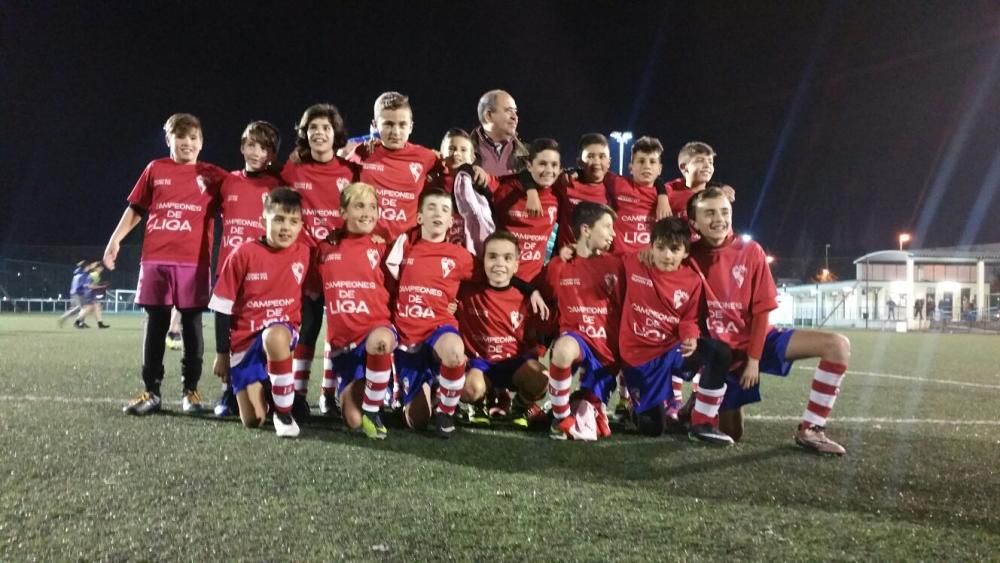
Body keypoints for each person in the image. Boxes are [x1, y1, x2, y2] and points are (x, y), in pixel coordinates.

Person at [686, 187, 851, 455]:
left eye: (725, 212)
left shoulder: (750, 251)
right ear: (694, 223)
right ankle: (697, 402)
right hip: (722, 355)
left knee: (837, 345)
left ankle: (812, 429)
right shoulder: (687, 254)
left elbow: (762, 310)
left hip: (757, 341)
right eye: (709, 213)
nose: (719, 218)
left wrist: (754, 359)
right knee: (731, 434)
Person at [104, 113, 228, 416]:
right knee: (156, 324)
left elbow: (243, 195)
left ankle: (191, 392)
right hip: (156, 260)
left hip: (194, 262)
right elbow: (136, 208)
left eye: (193, 137)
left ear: (202, 142)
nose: (187, 143)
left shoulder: (213, 175)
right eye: (180, 136)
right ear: (168, 139)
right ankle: (152, 391)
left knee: (192, 325)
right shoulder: (155, 169)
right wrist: (115, 239)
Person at [619, 217, 732, 444]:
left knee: (720, 352)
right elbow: (601, 256)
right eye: (660, 248)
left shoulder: (692, 280)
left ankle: (703, 420)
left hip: (672, 349)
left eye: (674, 249)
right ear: (651, 247)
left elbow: (688, 318)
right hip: (639, 358)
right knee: (653, 429)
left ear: (685, 253)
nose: (667, 255)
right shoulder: (633, 262)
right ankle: (637, 408)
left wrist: (689, 336)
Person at [209, 187, 311, 437]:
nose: (286, 227)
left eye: (293, 221)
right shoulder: (243, 253)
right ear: (262, 220)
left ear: (301, 226)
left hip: (280, 333)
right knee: (253, 420)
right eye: (278, 219)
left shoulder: (305, 252)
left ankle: (284, 413)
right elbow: (222, 307)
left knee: (274, 336)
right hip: (245, 341)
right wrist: (222, 353)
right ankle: (270, 388)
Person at [282, 104, 360, 418]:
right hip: (303, 265)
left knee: (338, 333)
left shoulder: (350, 171)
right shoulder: (293, 170)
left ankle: (329, 395)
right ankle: (298, 395)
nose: (319, 133)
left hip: (341, 263)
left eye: (325, 128)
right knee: (307, 329)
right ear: (305, 134)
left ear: (335, 134)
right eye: (312, 127)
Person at [386, 188, 475, 438]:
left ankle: (446, 412)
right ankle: (425, 390)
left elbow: (485, 282)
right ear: (420, 217)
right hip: (407, 339)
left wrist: (459, 302)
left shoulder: (461, 257)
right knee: (417, 420)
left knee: (455, 351)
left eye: (445, 210)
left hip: (438, 329)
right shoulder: (402, 249)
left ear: (451, 221)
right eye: (432, 208)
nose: (438, 213)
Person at [212, 120, 284, 417]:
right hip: (229, 267)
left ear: (272, 155)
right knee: (230, 331)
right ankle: (229, 390)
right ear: (242, 146)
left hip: (263, 271)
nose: (257, 152)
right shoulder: (226, 181)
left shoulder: (278, 185)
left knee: (260, 332)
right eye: (251, 145)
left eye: (264, 147)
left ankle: (266, 385)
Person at [314, 182, 396, 439]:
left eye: (373, 207)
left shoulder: (382, 248)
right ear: (343, 212)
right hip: (343, 346)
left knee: (381, 341)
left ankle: (374, 409)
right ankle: (365, 396)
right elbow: (312, 291)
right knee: (352, 420)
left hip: (376, 333)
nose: (368, 212)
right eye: (359, 206)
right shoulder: (325, 249)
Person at [543, 202, 624, 440]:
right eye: (607, 227)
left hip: (607, 352)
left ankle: (587, 403)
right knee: (563, 349)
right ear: (586, 230)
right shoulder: (559, 265)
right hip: (578, 338)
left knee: (592, 422)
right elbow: (542, 293)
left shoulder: (617, 264)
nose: (613, 234)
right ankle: (560, 417)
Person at [458, 230, 550, 428]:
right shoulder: (466, 290)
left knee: (543, 378)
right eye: (492, 256)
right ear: (482, 260)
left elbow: (537, 336)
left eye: (507, 258)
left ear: (516, 264)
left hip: (514, 364)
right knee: (468, 388)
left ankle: (520, 406)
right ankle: (477, 404)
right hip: (481, 364)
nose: (499, 263)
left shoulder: (527, 298)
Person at [478, 138, 562, 283]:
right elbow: (481, 179)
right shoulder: (506, 187)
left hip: (532, 286)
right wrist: (475, 169)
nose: (549, 170)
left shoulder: (558, 196)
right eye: (542, 164)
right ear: (529, 166)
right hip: (499, 280)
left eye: (554, 165)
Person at [665, 141, 735, 220]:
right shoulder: (667, 196)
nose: (707, 165)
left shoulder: (718, 198)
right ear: (684, 167)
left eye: (710, 162)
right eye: (700, 160)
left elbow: (727, 230)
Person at [472, 90, 527, 176]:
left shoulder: (527, 155)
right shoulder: (463, 152)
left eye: (515, 112)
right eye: (509, 111)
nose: (515, 117)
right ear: (488, 116)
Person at [58, 261, 90, 328]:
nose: (89, 267)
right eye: (88, 266)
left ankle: (81, 323)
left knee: (81, 309)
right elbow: (82, 285)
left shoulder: (77, 274)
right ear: (85, 267)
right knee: (81, 309)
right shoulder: (83, 275)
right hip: (79, 294)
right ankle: (63, 318)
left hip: (73, 293)